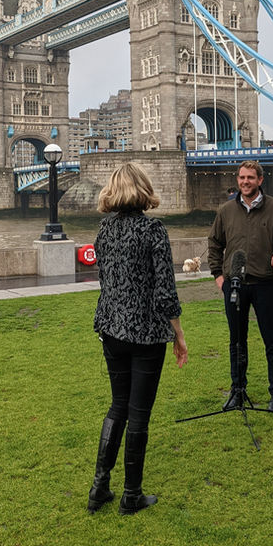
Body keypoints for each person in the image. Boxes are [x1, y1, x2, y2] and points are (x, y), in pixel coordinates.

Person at [88, 163, 188, 516]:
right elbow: (165, 291)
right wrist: (178, 333)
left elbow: (109, 282)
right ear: (143, 189)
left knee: (118, 406)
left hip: (111, 329)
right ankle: (132, 495)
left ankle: (99, 487)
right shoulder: (153, 230)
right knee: (139, 413)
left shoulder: (104, 230)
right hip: (145, 332)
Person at [208, 160, 273, 412]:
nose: (245, 182)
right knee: (237, 341)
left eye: (250, 178)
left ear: (260, 180)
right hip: (234, 285)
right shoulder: (226, 211)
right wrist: (219, 275)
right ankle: (237, 391)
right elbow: (215, 243)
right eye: (241, 177)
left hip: (264, 283)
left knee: (271, 340)